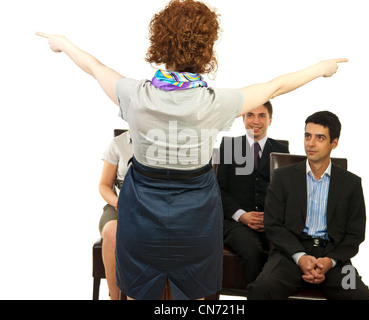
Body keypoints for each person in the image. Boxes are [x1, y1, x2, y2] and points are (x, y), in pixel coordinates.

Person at [36, 0, 347, 300]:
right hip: (195, 219)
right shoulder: (216, 103)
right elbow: (275, 86)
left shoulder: (134, 94)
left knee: (139, 292)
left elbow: (93, 66)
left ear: (160, 43)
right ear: (206, 48)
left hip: (141, 216)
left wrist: (63, 44)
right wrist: (320, 68)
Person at [247, 111, 369, 300]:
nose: (311, 143)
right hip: (288, 255)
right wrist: (299, 256)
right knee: (261, 289)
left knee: (362, 297)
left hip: (335, 261)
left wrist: (329, 261)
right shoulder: (283, 177)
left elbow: (355, 234)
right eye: (308, 136)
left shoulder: (351, 184)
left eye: (320, 138)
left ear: (334, 143)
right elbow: (273, 224)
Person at [216, 101, 289, 285]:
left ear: (270, 120)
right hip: (236, 222)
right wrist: (242, 216)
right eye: (250, 115)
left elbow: (287, 194)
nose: (255, 121)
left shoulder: (281, 150)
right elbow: (218, 190)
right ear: (243, 118)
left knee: (285, 251)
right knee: (253, 250)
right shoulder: (229, 146)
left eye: (262, 116)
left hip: (270, 222)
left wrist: (270, 218)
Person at [98, 130, 133, 300]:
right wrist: (117, 203)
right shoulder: (118, 143)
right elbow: (104, 185)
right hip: (119, 205)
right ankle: (115, 297)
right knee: (112, 231)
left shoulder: (164, 141)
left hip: (153, 208)